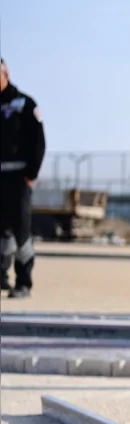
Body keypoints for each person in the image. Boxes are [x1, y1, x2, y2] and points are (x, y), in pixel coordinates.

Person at [0, 58, 45, 298]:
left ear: (5, 72)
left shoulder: (24, 104)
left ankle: (23, 282)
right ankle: (1, 277)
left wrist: (32, 174)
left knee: (20, 232)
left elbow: (38, 141)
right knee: (1, 233)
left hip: (18, 179)